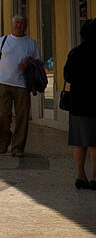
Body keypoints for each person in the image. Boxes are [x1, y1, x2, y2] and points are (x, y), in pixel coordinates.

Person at [0, 14, 42, 156]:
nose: (19, 25)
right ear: (12, 24)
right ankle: (4, 141)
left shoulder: (31, 43)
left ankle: (18, 147)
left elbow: (39, 64)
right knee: (2, 116)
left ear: (26, 25)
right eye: (17, 22)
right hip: (2, 83)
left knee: (22, 117)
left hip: (22, 85)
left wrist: (28, 64)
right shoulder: (3, 41)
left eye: (22, 23)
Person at [65, 19, 96, 190]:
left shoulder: (75, 53)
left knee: (80, 141)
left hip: (77, 102)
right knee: (94, 142)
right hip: (93, 102)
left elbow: (67, 76)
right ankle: (95, 177)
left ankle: (80, 176)